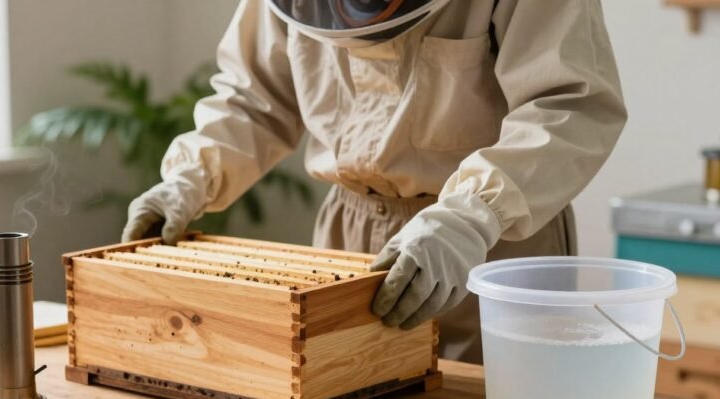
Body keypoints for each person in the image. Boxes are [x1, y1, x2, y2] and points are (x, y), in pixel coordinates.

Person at [122, 0, 626, 364]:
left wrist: (469, 217)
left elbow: (570, 107)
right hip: (350, 233)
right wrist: (191, 176)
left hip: (494, 241)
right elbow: (255, 99)